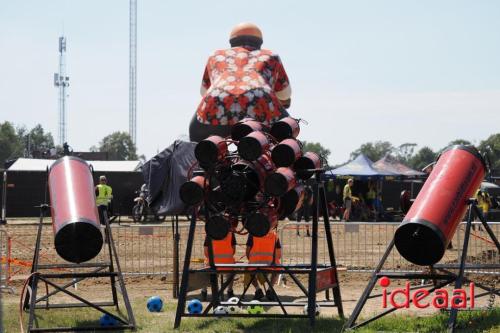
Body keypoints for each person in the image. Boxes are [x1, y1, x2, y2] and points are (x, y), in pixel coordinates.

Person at [189, 22, 292, 142]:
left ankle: (200, 159)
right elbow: (285, 94)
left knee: (196, 136)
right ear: (259, 42)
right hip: (261, 103)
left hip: (216, 106)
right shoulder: (270, 55)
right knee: (287, 130)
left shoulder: (215, 56)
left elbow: (204, 92)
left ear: (232, 42)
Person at [246, 230, 282, 301]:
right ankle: (270, 290)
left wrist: (251, 260)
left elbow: (247, 251)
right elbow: (279, 254)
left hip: (255, 264)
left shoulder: (252, 234)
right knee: (277, 269)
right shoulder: (274, 235)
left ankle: (258, 289)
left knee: (248, 270)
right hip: (270, 264)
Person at [201, 232, 236, 301]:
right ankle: (230, 291)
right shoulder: (231, 234)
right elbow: (233, 250)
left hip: (212, 264)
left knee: (205, 270)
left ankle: (204, 292)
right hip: (228, 264)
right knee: (231, 272)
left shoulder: (209, 233)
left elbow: (205, 251)